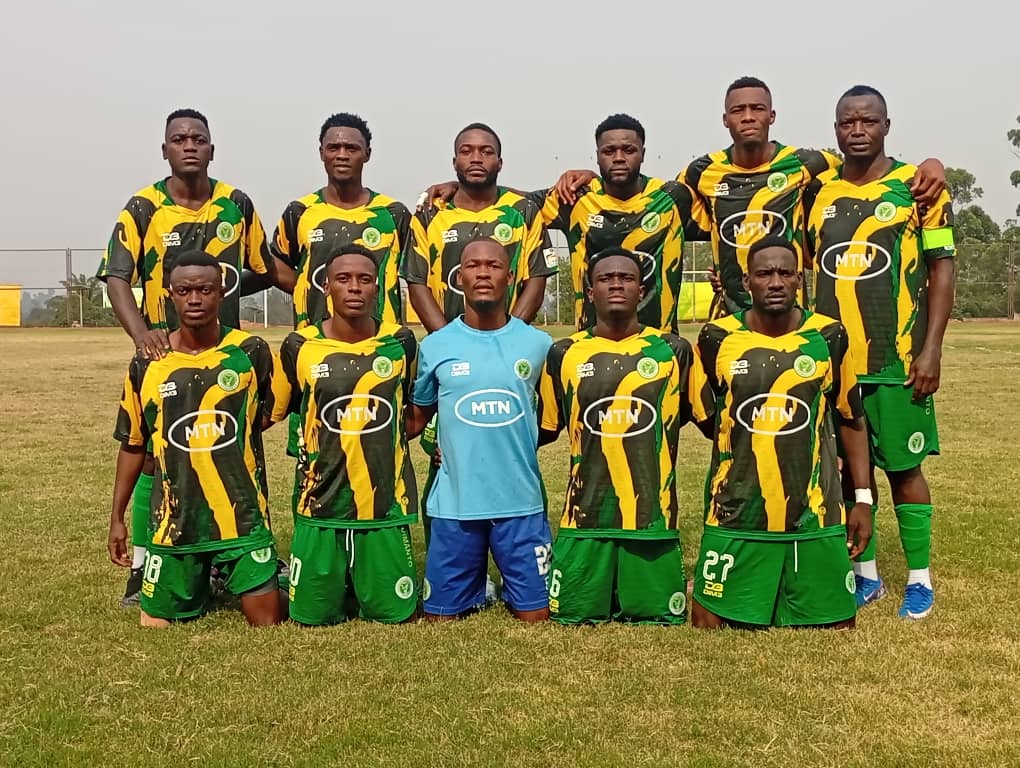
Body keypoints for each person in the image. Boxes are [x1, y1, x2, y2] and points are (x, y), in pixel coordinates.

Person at [97, 108, 278, 604]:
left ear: (212, 149)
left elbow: (263, 268)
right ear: (165, 150)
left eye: (198, 138)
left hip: (224, 352)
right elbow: (117, 277)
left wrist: (227, 293)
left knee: (234, 447)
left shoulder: (235, 204)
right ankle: (143, 563)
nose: (190, 145)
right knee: (153, 455)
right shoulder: (143, 207)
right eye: (179, 139)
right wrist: (142, 335)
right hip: (166, 351)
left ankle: (238, 553)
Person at [804, 85, 956, 620]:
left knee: (904, 469)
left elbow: (941, 268)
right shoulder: (817, 193)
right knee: (850, 470)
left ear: (886, 126)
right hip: (835, 363)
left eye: (868, 121)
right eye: (847, 122)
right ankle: (866, 575)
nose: (857, 130)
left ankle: (920, 580)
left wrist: (932, 349)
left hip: (897, 361)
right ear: (836, 129)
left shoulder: (917, 187)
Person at [401, 122, 556, 596]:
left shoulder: (524, 210)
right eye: (466, 151)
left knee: (503, 446)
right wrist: (452, 341)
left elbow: (535, 277)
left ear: (500, 161)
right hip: (450, 357)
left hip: (507, 348)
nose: (476, 158)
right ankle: (458, 568)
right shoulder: (430, 213)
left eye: (486, 151)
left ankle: (518, 561)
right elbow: (418, 282)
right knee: (448, 459)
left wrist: (508, 337)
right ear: (453, 161)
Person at [689, 236, 872, 629]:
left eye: (785, 273)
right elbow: (708, 415)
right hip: (735, 510)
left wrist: (863, 499)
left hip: (814, 512)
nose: (775, 282)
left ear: (799, 280)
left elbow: (851, 419)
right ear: (746, 281)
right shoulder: (716, 337)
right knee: (707, 622)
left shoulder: (829, 335)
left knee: (838, 625)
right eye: (764, 274)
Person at [107, 251, 283, 627]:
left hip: (242, 521)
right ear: (170, 294)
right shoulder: (148, 362)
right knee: (155, 625)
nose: (195, 299)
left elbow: (264, 416)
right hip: (175, 524)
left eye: (205, 289)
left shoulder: (250, 351)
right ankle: (199, 577)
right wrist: (117, 518)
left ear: (222, 292)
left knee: (267, 621)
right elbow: (134, 444)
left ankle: (264, 574)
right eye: (185, 290)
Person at [678, 76, 945, 315]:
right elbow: (673, 209)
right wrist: (725, 269)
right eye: (738, 110)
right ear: (725, 119)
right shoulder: (701, 172)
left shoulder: (807, 164)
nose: (748, 117)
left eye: (757, 108)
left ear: (772, 116)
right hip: (729, 317)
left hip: (792, 319)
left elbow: (858, 172)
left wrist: (933, 164)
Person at [422, 114, 706, 333]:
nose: (619, 157)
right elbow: (514, 201)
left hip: (660, 341)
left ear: (643, 152)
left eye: (628, 150)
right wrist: (461, 186)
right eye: (609, 151)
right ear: (597, 155)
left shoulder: (673, 197)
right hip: (590, 341)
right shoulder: (574, 199)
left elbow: (719, 220)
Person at [538, 248, 694, 624]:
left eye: (626, 278)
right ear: (590, 293)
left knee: (658, 618)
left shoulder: (673, 350)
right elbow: (545, 427)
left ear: (642, 291)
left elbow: (690, 415)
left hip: (652, 519)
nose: (616, 285)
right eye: (606, 279)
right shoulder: (564, 352)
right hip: (583, 517)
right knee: (570, 616)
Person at [407, 239, 553, 622]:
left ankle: (501, 585)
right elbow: (416, 419)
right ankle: (478, 586)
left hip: (520, 503)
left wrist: (519, 443)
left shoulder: (539, 345)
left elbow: (555, 418)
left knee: (537, 617)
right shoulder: (435, 346)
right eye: (473, 266)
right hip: (456, 505)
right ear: (459, 278)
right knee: (440, 619)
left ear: (510, 277)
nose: (483, 273)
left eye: (493, 265)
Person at [272, 246, 419, 624]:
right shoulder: (299, 345)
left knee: (396, 616)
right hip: (319, 505)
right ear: (326, 286)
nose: (354, 287)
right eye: (343, 279)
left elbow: (413, 411)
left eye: (364, 279)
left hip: (383, 508)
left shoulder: (401, 343)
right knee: (309, 618)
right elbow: (273, 411)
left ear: (377, 289)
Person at [271, 112, 410, 329]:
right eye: (334, 148)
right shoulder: (299, 211)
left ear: (367, 154)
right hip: (315, 340)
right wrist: (308, 288)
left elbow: (419, 275)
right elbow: (275, 263)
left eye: (351, 148)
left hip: (382, 342)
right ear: (321, 153)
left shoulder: (393, 214)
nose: (342, 155)